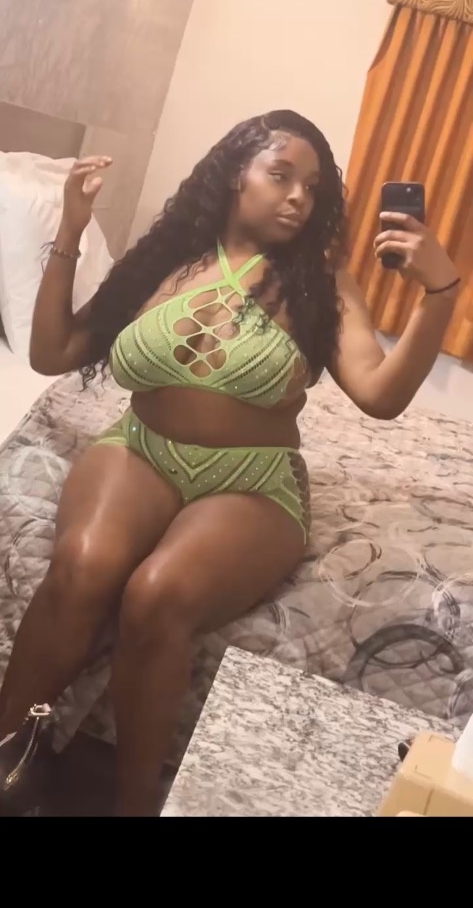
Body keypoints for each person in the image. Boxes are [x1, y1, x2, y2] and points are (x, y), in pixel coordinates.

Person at [0, 110, 460, 815]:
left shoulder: (319, 281)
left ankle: (134, 805)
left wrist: (440, 294)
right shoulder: (162, 261)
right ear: (234, 174)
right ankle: (13, 749)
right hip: (141, 449)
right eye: (281, 175)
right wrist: (70, 229)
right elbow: (50, 354)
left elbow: (379, 395)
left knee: (157, 594)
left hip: (251, 479)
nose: (298, 196)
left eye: (312, 186)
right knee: (84, 565)